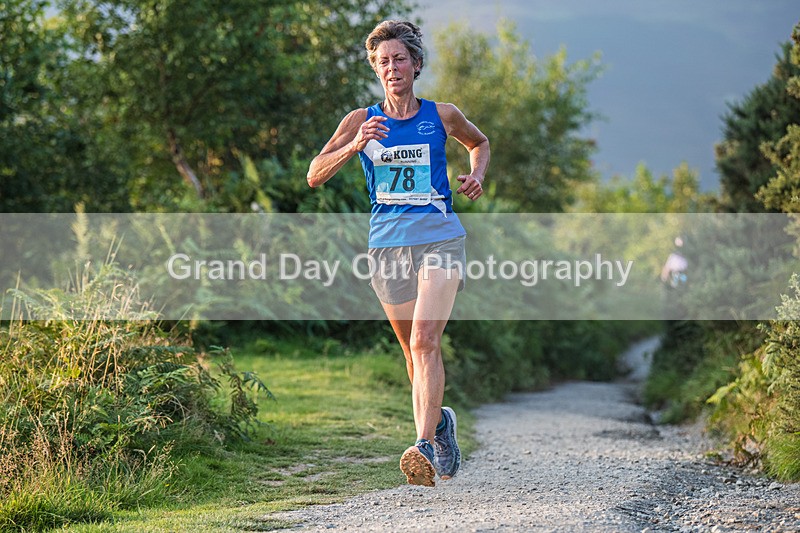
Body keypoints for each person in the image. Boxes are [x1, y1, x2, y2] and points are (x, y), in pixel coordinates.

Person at [307, 20, 490, 487]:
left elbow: (479, 143)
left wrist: (477, 175)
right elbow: (313, 174)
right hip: (387, 246)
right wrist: (355, 143)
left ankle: (423, 447)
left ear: (416, 65)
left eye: (400, 59)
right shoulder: (359, 120)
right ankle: (441, 425)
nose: (392, 68)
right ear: (376, 69)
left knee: (425, 340)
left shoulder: (441, 114)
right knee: (412, 356)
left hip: (440, 238)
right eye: (383, 61)